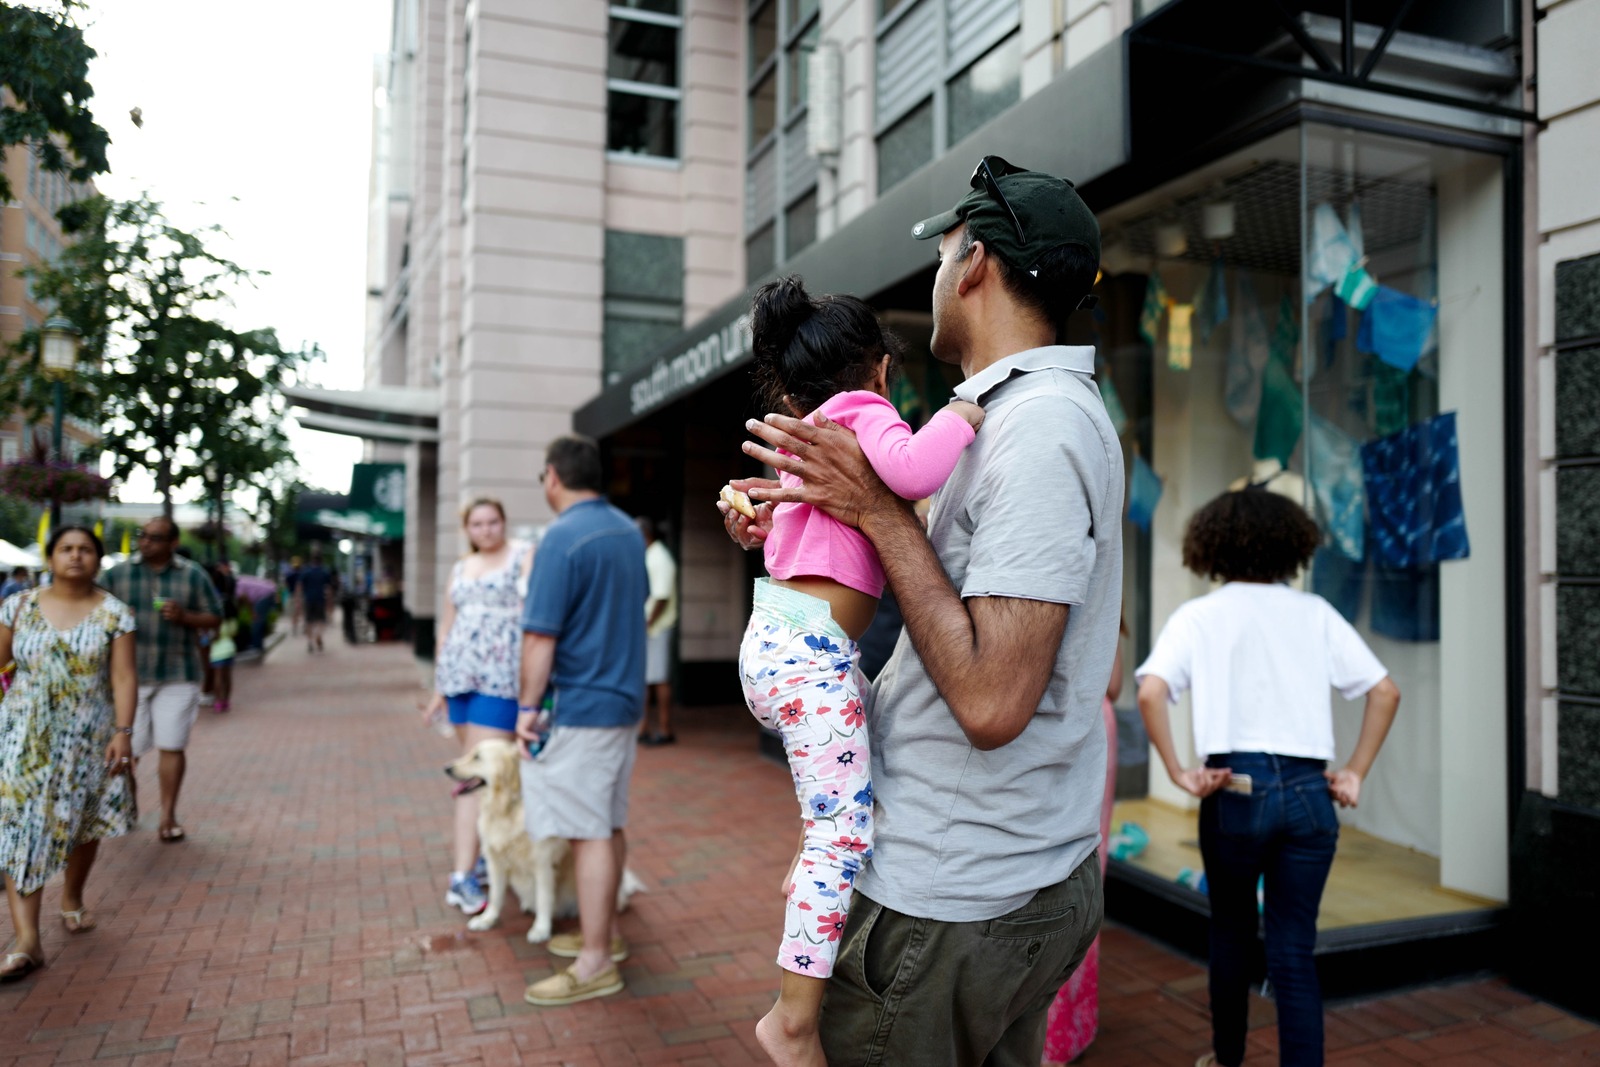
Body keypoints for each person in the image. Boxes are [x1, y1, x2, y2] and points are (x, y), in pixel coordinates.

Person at [723, 155, 1123, 1065]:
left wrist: (871, 508)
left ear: (974, 262)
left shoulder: (1038, 426)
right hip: (977, 875)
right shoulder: (1000, 416)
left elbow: (991, 701)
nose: (936, 277)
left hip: (953, 894)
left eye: (942, 255)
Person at [733, 275, 987, 1066]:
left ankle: (816, 856)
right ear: (880, 368)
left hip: (775, 644)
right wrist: (963, 414)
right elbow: (912, 472)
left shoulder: (807, 435)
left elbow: (789, 527)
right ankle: (792, 1020)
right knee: (844, 836)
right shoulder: (862, 416)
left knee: (841, 803)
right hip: (811, 657)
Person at [1134, 489, 1401, 1067]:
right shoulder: (1316, 613)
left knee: (1230, 935)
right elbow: (1385, 690)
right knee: (1293, 951)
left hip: (1235, 791)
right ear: (1292, 546)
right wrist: (1354, 772)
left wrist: (1180, 772)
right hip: (1310, 793)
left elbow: (1151, 690)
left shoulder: (1200, 616)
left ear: (1213, 546)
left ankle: (1227, 1059)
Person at [516, 435, 648, 1008]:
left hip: (583, 704)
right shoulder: (625, 531)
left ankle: (594, 960)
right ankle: (606, 938)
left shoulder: (560, 538)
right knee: (608, 821)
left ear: (552, 477)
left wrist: (526, 708)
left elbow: (540, 634)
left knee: (588, 831)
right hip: (622, 700)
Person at [0, 527, 137, 982]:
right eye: (66, 549)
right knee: (22, 828)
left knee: (81, 821)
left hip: (87, 737)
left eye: (85, 550)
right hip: (23, 737)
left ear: (98, 559)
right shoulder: (17, 606)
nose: (75, 556)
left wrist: (122, 731)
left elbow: (122, 678)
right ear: (51, 556)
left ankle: (73, 896)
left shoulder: (115, 614)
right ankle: (27, 941)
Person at [425, 497, 534, 916]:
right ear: (467, 529)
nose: (486, 529)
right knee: (479, 773)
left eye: (492, 522)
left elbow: (531, 615)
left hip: (500, 680)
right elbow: (447, 627)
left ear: (504, 523)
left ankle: (463, 874)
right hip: (459, 679)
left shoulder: (523, 555)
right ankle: (480, 861)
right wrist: (439, 687)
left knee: (480, 775)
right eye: (477, 524)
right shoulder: (459, 568)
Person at [103, 516, 222, 843]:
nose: (146, 542)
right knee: (128, 749)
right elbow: (91, 608)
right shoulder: (118, 574)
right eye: (143, 536)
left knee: (172, 745)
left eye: (155, 538)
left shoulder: (192, 575)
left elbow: (215, 617)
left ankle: (168, 815)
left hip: (177, 674)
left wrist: (185, 616)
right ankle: (126, 811)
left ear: (172, 542)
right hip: (130, 677)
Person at [1042, 615, 1125, 1065]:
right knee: (1088, 866)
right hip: (1096, 723)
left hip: (1048, 724)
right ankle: (1069, 1028)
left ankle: (1038, 1030)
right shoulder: (1107, 599)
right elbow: (1113, 684)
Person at [635, 517, 679, 746]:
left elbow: (661, 596)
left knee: (659, 679)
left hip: (657, 628)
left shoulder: (658, 557)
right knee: (647, 678)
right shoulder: (651, 555)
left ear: (645, 535)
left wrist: (647, 623)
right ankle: (643, 728)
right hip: (652, 627)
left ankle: (664, 729)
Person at [208, 590, 239, 714]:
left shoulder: (217, 622)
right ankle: (226, 700)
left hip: (217, 652)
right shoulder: (232, 621)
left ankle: (218, 701)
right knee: (228, 678)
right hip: (230, 649)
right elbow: (234, 634)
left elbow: (214, 637)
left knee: (218, 677)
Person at [298, 551, 332, 652]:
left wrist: (298, 599)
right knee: (321, 621)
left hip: (308, 599)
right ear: (321, 561)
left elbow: (299, 585)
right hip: (320, 599)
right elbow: (328, 589)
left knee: (309, 621)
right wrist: (330, 601)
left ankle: (309, 641)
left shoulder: (306, 572)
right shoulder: (324, 572)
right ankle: (318, 635)